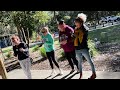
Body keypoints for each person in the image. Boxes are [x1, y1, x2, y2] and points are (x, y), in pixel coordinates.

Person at [74, 13, 96, 79]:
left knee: (90, 61)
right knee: (79, 62)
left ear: (80, 23)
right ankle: (81, 74)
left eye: (76, 23)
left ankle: (94, 74)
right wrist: (73, 36)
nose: (75, 24)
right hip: (77, 48)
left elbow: (83, 34)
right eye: (75, 23)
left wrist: (75, 35)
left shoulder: (84, 29)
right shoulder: (76, 29)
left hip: (84, 48)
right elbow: (74, 37)